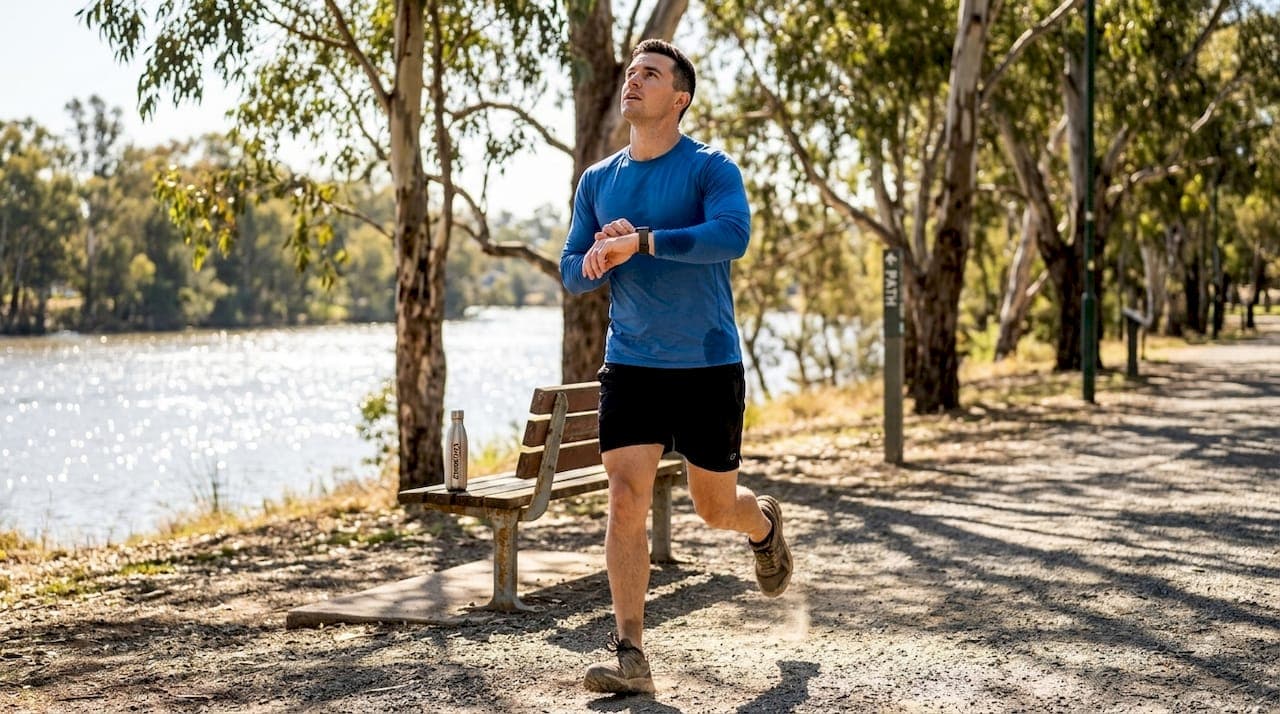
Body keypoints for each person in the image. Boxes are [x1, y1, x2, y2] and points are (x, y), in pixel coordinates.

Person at [559, 38, 794, 696]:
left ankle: (763, 525)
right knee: (624, 498)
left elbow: (732, 235)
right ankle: (631, 654)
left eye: (650, 74)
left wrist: (643, 241)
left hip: (706, 362)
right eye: (632, 72)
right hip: (631, 363)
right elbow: (570, 270)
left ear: (679, 98)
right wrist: (597, 258)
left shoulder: (710, 168)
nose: (633, 81)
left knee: (714, 508)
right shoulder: (598, 181)